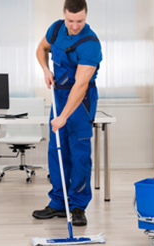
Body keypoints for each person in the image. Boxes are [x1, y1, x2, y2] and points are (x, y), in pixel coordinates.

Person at [32, 0, 102, 227]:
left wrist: (63, 117)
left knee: (79, 153)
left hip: (80, 102)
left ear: (87, 16)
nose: (74, 25)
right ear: (64, 15)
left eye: (80, 21)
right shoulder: (55, 29)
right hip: (58, 96)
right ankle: (58, 203)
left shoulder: (90, 44)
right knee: (57, 150)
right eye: (70, 20)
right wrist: (46, 69)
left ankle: (78, 206)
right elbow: (41, 49)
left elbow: (80, 86)